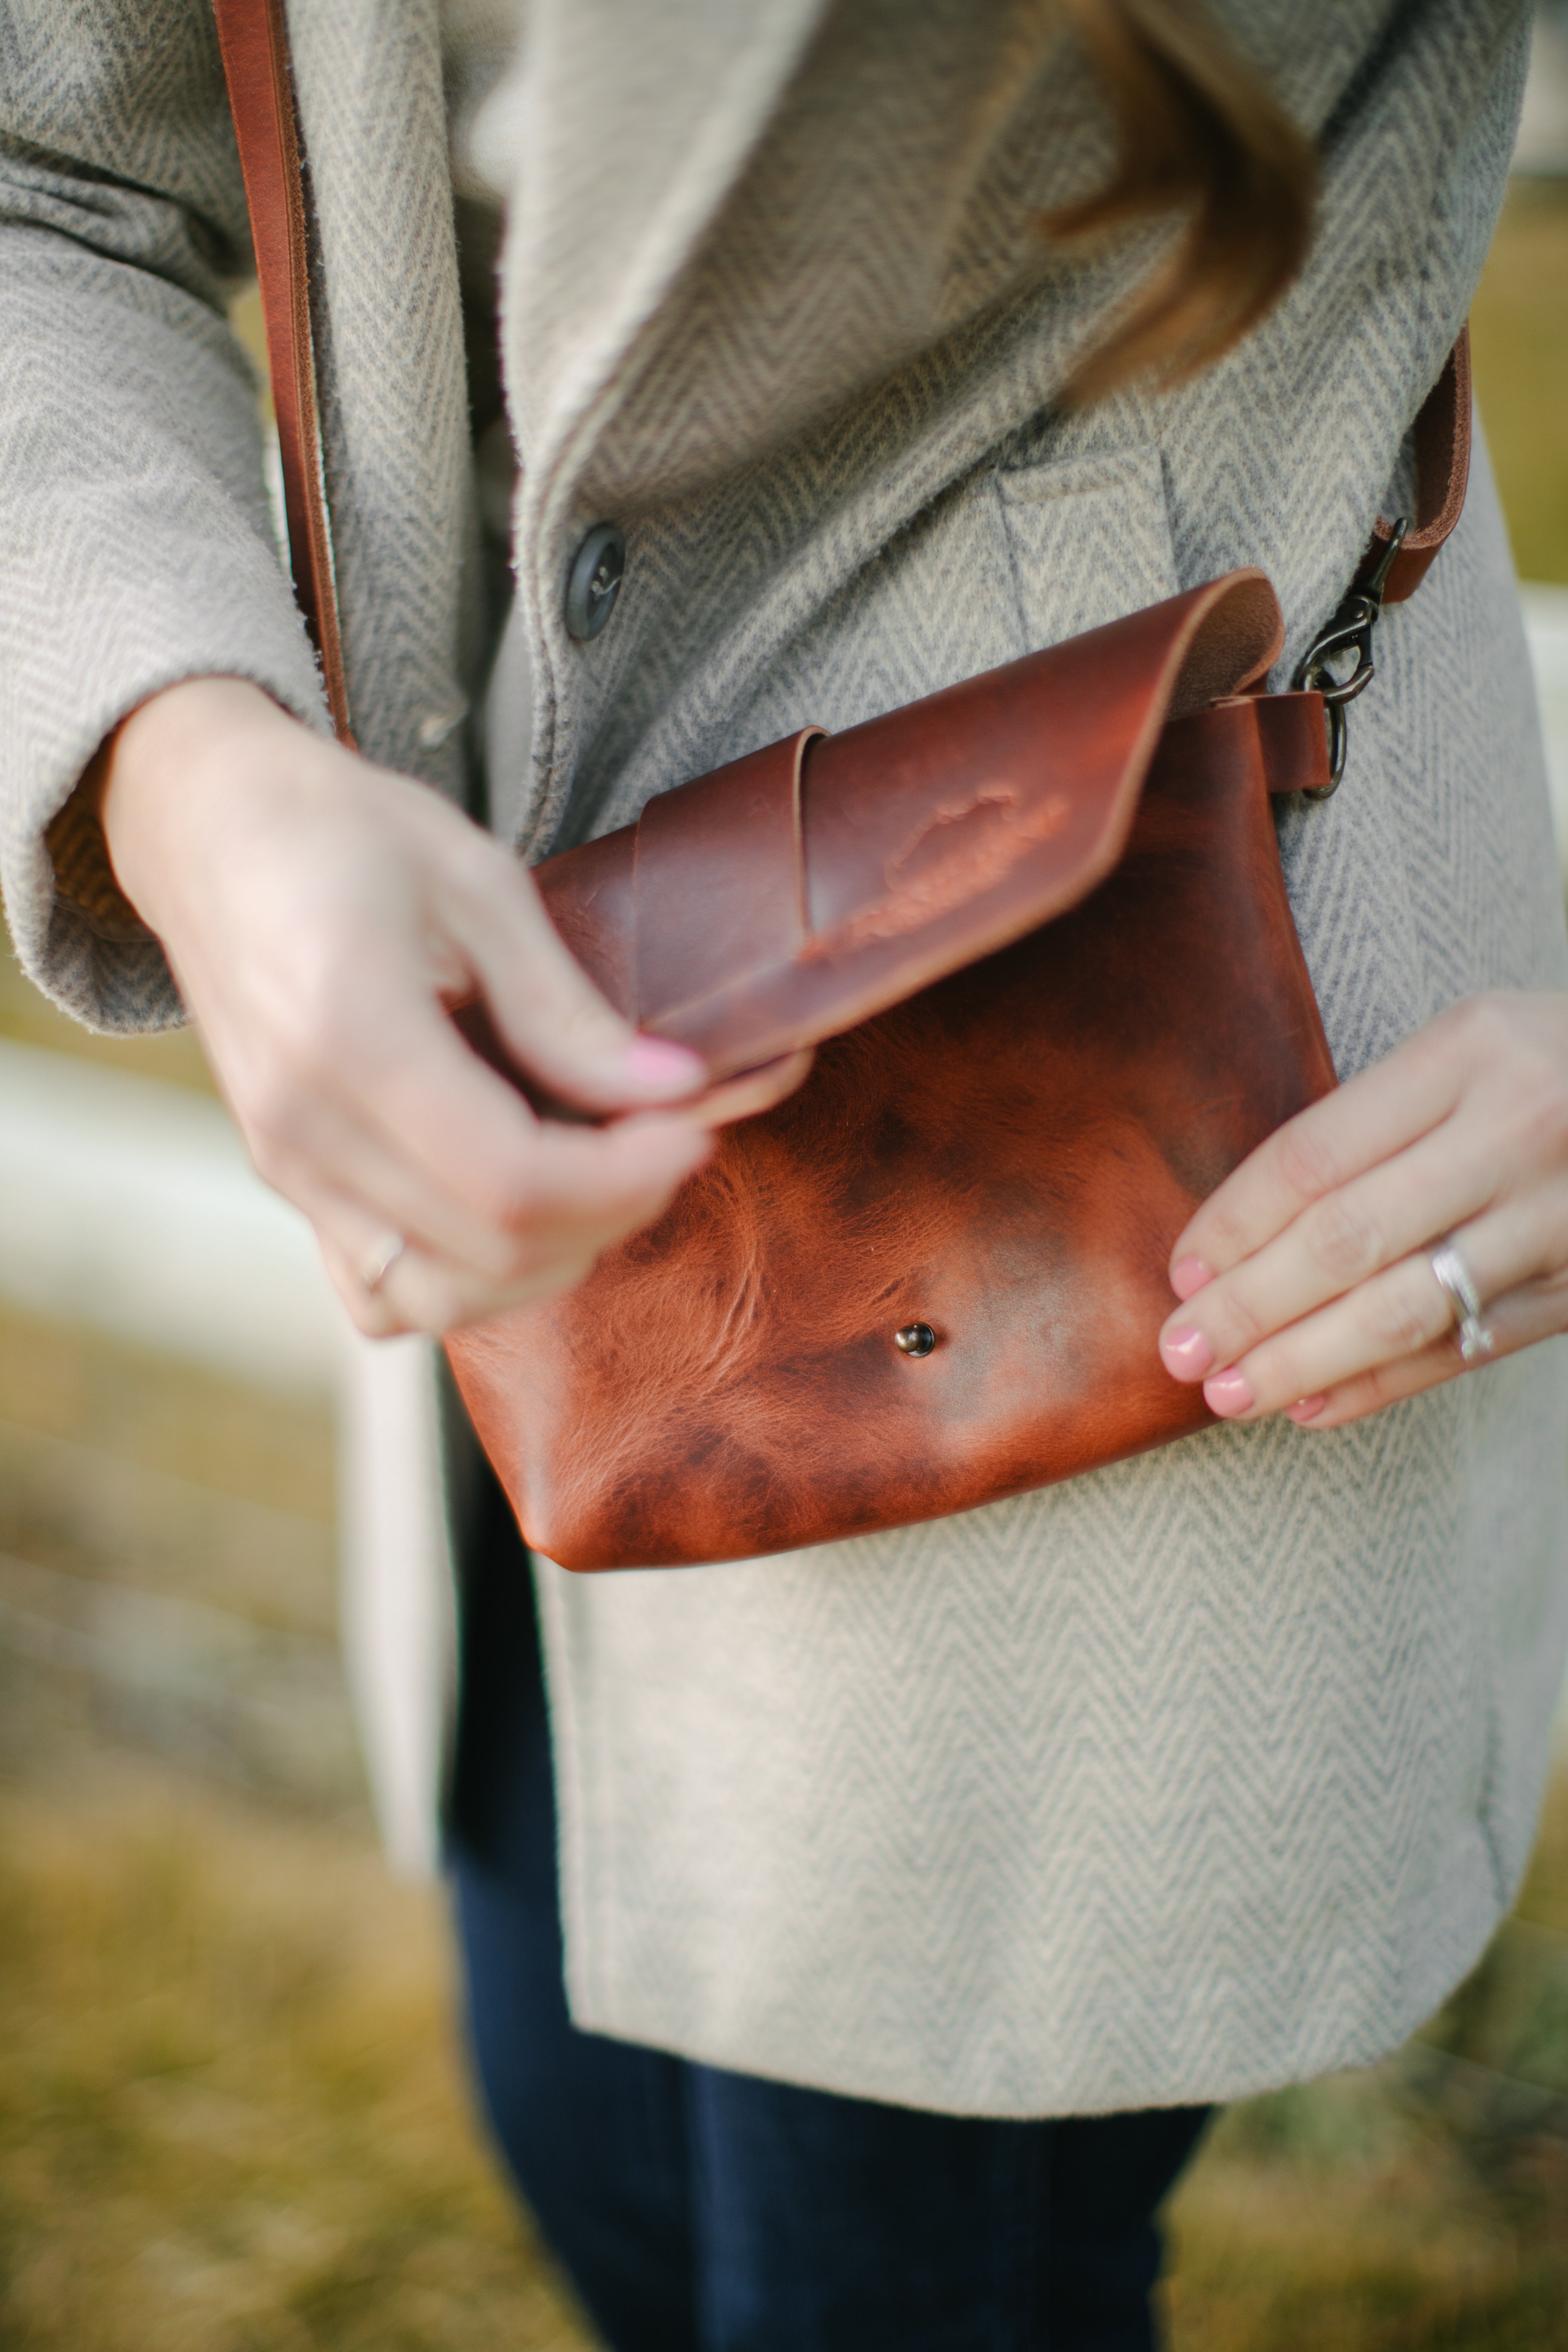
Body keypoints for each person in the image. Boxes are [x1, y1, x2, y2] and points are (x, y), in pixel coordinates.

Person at [3, 1, 1565, 2343]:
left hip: (1177, 1130)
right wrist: (187, 768)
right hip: (504, 1037)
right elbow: (50, 181)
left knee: (917, 2278)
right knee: (593, 2153)